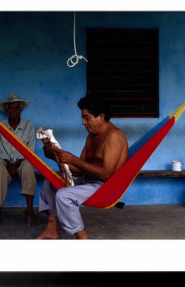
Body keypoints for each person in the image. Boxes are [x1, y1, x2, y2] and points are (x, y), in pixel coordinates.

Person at [35, 95, 128, 239]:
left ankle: (83, 237)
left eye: (87, 118)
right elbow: (79, 169)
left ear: (101, 117)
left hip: (104, 188)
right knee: (50, 182)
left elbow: (106, 175)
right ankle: (51, 228)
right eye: (83, 118)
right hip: (88, 180)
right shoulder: (91, 137)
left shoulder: (114, 136)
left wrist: (73, 159)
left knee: (63, 195)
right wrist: (55, 157)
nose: (83, 123)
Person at [0, 94, 39, 229]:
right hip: (5, 161)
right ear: (7, 110)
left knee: (28, 166)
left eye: (17, 108)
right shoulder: (0, 126)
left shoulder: (29, 125)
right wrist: (9, 163)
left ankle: (29, 211)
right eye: (11, 108)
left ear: (21, 109)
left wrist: (16, 163)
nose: (14, 111)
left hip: (22, 160)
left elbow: (30, 150)